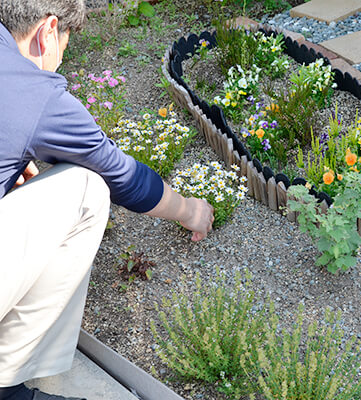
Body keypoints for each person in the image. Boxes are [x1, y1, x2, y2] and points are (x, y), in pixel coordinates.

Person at [0, 1, 214, 399]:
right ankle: (6, 386)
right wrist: (191, 209)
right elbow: (123, 177)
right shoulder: (35, 95)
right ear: (48, 31)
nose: (61, 59)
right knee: (86, 189)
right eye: (64, 43)